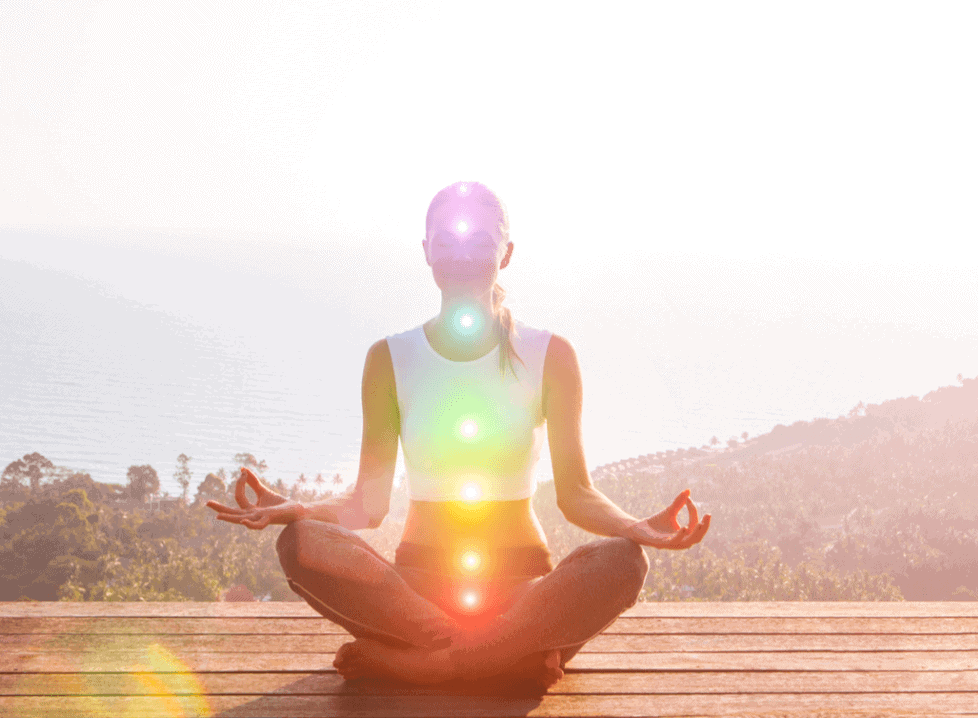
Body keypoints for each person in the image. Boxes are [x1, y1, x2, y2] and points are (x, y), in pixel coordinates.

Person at [205, 181, 711, 689]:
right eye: (445, 241)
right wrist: (299, 510)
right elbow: (368, 504)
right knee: (301, 543)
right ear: (426, 252)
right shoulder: (389, 359)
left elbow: (577, 496)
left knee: (624, 561)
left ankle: (422, 665)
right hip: (413, 595)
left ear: (506, 253)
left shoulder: (551, 356)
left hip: (520, 592)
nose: (461, 254)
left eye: (478, 241)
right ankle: (502, 659)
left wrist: (636, 528)